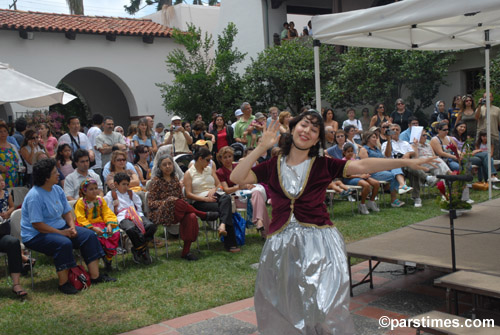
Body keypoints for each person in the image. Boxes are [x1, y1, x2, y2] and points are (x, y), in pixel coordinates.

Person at [230, 110, 435, 334]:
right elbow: (237, 178)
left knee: (324, 306)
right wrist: (261, 148)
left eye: (314, 129)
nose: (307, 131)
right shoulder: (272, 166)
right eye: (303, 125)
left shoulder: (324, 165)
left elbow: (363, 166)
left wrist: (404, 162)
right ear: (293, 128)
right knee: (284, 303)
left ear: (318, 139)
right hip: (281, 247)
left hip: (319, 245)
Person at [21, 159, 115, 295]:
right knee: (63, 243)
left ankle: (96, 276)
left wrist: (72, 227)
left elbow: (66, 211)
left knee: (88, 235)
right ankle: (64, 284)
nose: (58, 174)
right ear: (46, 177)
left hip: (60, 228)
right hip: (36, 235)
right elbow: (37, 224)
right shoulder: (34, 196)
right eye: (55, 173)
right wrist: (62, 233)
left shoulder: (57, 189)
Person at [147, 154, 218, 261]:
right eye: (164, 165)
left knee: (191, 216)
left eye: (170, 164)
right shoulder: (156, 181)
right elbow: (151, 203)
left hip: (177, 211)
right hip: (162, 213)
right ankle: (202, 214)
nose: (167, 166)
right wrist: (167, 202)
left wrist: (176, 202)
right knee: (172, 200)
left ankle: (186, 252)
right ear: (160, 167)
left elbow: (181, 198)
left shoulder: (175, 179)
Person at [184, 147, 239, 252]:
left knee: (226, 198)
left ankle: (222, 225)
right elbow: (188, 194)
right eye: (208, 160)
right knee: (226, 209)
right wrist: (205, 199)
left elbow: (219, 184)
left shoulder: (209, 170)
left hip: (215, 196)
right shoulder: (189, 173)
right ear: (200, 159)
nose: (210, 162)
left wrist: (214, 189)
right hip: (200, 201)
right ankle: (230, 243)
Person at [216, 146, 269, 236]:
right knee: (258, 201)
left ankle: (259, 221)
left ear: (233, 157)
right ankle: (265, 230)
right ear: (220, 159)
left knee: (257, 193)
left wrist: (248, 184)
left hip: (247, 193)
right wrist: (239, 187)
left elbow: (249, 179)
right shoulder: (220, 172)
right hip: (235, 198)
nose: (228, 159)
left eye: (230, 156)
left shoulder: (238, 166)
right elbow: (227, 190)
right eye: (225, 157)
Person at [104, 172, 157, 265]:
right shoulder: (111, 195)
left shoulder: (130, 193)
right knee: (130, 229)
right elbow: (108, 210)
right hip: (122, 217)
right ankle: (142, 250)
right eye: (123, 184)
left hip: (135, 215)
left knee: (151, 226)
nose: (126, 186)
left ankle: (137, 248)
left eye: (127, 184)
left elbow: (138, 204)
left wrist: (137, 214)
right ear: (116, 184)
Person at [75, 178, 119, 272]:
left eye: (96, 188)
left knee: (114, 233)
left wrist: (109, 224)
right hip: (87, 226)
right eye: (91, 189)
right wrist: (93, 228)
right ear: (84, 191)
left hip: (101, 224)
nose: (95, 191)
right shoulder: (81, 202)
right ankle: (97, 261)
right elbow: (81, 218)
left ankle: (108, 259)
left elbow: (107, 213)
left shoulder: (100, 200)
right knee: (96, 238)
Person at [359, 131, 407, 208]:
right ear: (368, 139)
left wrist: (388, 140)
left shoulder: (376, 149)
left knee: (396, 166)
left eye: (376, 137)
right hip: (373, 173)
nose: (376, 139)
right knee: (393, 175)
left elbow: (385, 157)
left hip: (382, 170)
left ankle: (402, 185)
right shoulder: (364, 149)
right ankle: (394, 199)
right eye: (374, 137)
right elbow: (366, 165)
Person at [0, 173, 28, 297]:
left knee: (13, 243)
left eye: (2, 180)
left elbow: (12, 207)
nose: (1, 183)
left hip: (2, 232)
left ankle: (16, 284)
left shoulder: (6, 194)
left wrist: (7, 214)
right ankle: (26, 259)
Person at [341, 143, 380, 214]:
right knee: (366, 185)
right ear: (344, 152)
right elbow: (346, 175)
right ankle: (362, 204)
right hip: (349, 179)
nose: (350, 153)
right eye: (348, 151)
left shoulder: (354, 160)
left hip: (358, 176)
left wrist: (364, 174)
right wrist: (360, 176)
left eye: (351, 151)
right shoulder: (343, 162)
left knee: (376, 183)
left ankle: (371, 201)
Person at [475, 92, 500, 159]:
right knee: (481, 156)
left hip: (493, 134)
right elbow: (476, 117)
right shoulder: (480, 108)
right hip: (482, 135)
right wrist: (479, 105)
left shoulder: (497, 109)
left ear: (492, 98)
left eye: (489, 97)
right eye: (485, 97)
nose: (487, 98)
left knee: (495, 157)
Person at [0, 123, 21, 188]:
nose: (3, 133)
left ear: (7, 133)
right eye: (0, 132)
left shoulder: (12, 146)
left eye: (5, 131)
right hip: (2, 177)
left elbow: (18, 159)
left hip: (14, 176)